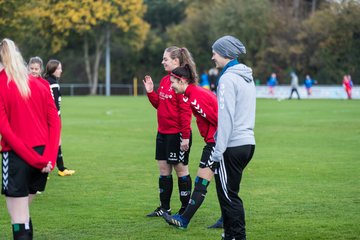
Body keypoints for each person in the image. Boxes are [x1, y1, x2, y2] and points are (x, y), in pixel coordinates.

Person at [0, 38, 61, 239]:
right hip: (42, 157)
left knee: (18, 219)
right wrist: (49, 159)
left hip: (19, 158)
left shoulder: (3, 84)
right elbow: (55, 123)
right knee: (23, 214)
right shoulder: (40, 85)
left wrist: (38, 159)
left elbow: (6, 131)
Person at [162, 65, 218, 229]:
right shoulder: (193, 93)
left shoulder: (195, 97)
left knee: (201, 182)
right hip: (216, 142)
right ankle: (226, 219)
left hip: (217, 142)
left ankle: (184, 220)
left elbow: (220, 120)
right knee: (223, 183)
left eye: (173, 82)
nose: (171, 86)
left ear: (182, 80)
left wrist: (218, 144)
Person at [211, 35, 256, 240]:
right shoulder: (246, 76)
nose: (213, 57)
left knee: (228, 196)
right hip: (247, 143)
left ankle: (237, 236)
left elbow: (226, 117)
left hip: (232, 145)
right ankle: (229, 234)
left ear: (225, 53)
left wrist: (217, 152)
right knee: (231, 192)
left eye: (215, 52)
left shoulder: (228, 78)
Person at [142, 46, 194, 217]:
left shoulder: (180, 82)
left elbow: (186, 112)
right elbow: (160, 105)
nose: (162, 62)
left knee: (181, 171)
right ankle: (165, 208)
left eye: (165, 59)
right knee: (164, 171)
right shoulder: (165, 80)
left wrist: (185, 137)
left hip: (177, 134)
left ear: (176, 61)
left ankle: (185, 210)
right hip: (162, 133)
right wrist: (151, 92)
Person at [44, 59, 75, 177]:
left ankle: (60, 167)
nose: (61, 71)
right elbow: (55, 104)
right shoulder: (53, 84)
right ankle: (56, 168)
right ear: (53, 70)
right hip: (54, 117)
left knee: (55, 141)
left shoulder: (46, 81)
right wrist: (56, 119)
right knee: (54, 141)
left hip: (49, 117)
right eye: (59, 68)